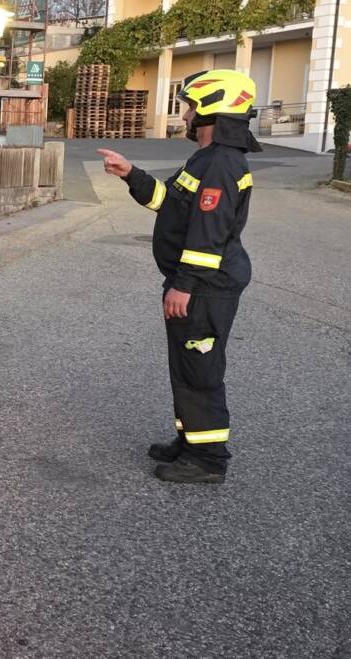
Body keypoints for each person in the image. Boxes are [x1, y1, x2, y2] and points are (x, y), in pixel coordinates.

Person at [98, 69, 260, 484]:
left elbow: (209, 233)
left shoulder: (222, 162)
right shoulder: (206, 158)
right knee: (187, 367)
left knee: (200, 370)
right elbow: (170, 203)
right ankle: (191, 443)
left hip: (205, 288)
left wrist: (184, 285)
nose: (185, 116)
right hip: (196, 287)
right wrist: (130, 173)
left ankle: (207, 461)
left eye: (190, 107)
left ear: (210, 109)